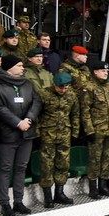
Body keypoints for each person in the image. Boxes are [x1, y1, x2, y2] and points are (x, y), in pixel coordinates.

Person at [0, 55, 41, 216]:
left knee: (21, 167)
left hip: (27, 133)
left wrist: (29, 119)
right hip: (8, 133)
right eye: (19, 65)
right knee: (5, 169)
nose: (22, 68)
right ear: (9, 68)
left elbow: (36, 102)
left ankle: (19, 201)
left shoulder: (27, 83)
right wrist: (18, 123)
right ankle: (5, 204)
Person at [38, 71, 80, 208]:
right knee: (47, 165)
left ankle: (59, 193)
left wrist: (75, 132)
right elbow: (36, 114)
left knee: (63, 164)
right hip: (47, 134)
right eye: (60, 87)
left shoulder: (72, 95)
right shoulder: (44, 94)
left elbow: (75, 114)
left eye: (66, 88)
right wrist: (37, 134)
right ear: (53, 84)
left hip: (64, 134)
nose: (63, 90)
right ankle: (48, 196)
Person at [81, 59, 109, 199]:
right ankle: (93, 187)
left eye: (106, 71)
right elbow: (85, 111)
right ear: (95, 72)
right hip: (96, 130)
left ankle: (103, 185)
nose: (105, 73)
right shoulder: (89, 87)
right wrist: (89, 130)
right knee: (95, 159)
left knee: (107, 158)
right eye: (103, 71)